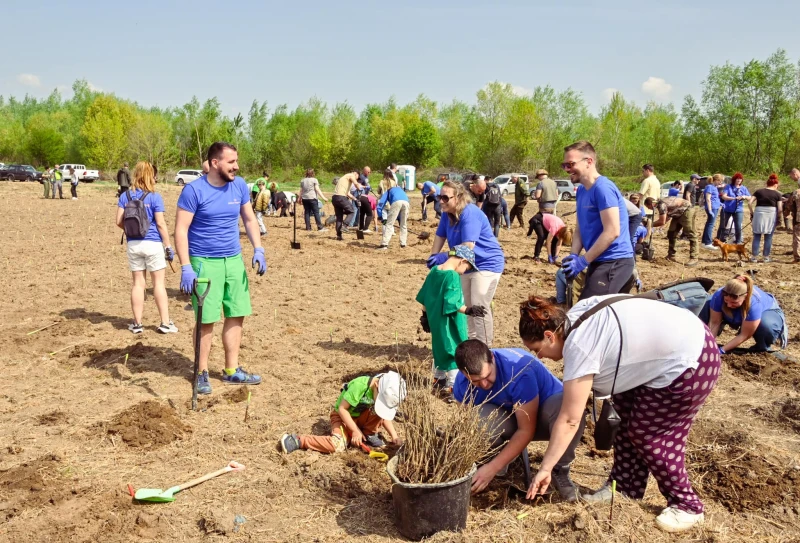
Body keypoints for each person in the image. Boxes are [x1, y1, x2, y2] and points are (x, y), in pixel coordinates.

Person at [521, 295, 721, 533]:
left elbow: (570, 419)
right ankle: (625, 488)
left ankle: (686, 505)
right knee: (624, 423)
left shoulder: (579, 345)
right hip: (662, 354)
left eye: (536, 350)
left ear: (549, 336)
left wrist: (545, 468)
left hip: (691, 359)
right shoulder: (573, 317)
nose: (539, 357)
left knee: (649, 436)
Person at [175, 141, 265, 395]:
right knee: (206, 320)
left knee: (236, 313)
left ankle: (231, 370)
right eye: (231, 162)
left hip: (233, 261)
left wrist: (258, 248)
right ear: (215, 163)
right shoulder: (194, 191)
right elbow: (181, 230)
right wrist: (186, 267)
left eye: (236, 161)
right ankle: (201, 372)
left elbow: (248, 218)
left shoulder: (238, 185)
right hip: (204, 262)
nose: (236, 166)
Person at [453, 339, 583, 501]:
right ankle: (497, 458)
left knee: (571, 409)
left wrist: (492, 468)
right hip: (512, 415)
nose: (484, 384)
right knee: (476, 420)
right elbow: (465, 424)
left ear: (492, 358)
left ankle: (559, 469)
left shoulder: (519, 371)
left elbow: (526, 430)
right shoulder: (462, 382)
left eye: (487, 377)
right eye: (476, 381)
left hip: (548, 417)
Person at [428, 181, 505, 346]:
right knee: (465, 305)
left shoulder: (469, 213)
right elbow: (440, 235)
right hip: (464, 264)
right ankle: (470, 343)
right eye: (439, 197)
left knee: (479, 303)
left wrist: (444, 257)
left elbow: (468, 246)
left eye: (445, 197)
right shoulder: (446, 214)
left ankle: (484, 347)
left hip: (486, 263)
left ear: (458, 198)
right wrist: (434, 257)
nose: (441, 201)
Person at [561, 141, 635, 300]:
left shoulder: (603, 188)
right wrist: (574, 255)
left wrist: (582, 262)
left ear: (589, 161)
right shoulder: (581, 191)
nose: (567, 169)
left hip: (615, 262)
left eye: (571, 164)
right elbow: (580, 228)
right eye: (564, 165)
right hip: (597, 261)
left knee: (586, 313)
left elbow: (612, 231)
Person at [116, 161, 177, 335]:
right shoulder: (154, 197)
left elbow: (118, 221)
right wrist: (168, 246)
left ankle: (137, 324)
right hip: (153, 244)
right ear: (151, 176)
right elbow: (160, 224)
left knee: (137, 284)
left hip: (133, 244)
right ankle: (165, 323)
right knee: (158, 284)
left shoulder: (125, 196)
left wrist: (131, 231)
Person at [280, 371, 406, 454]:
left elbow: (384, 416)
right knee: (337, 445)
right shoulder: (360, 386)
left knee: (378, 412)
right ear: (377, 384)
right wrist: (355, 430)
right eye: (380, 400)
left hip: (362, 416)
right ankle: (299, 440)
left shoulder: (378, 392)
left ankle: (368, 434)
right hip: (343, 416)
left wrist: (394, 436)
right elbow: (342, 409)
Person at [416, 245, 484, 397]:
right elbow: (452, 303)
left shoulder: (434, 271)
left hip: (435, 320)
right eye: (467, 267)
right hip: (450, 322)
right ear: (462, 261)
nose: (465, 271)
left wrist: (425, 316)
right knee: (455, 349)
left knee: (440, 348)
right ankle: (453, 387)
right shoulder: (452, 276)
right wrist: (469, 310)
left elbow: (424, 296)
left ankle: (438, 379)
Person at [700, 275, 788, 353]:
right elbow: (714, 322)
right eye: (726, 301)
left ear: (745, 297)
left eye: (734, 302)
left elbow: (745, 334)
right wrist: (709, 347)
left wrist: (722, 350)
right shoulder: (719, 295)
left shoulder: (754, 303)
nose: (729, 305)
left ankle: (761, 348)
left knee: (766, 325)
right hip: (737, 312)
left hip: (766, 312)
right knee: (707, 303)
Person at [644, 195, 698, 266]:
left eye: (648, 207)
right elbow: (666, 218)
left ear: (651, 204)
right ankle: (671, 255)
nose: (650, 209)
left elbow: (661, 221)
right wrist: (657, 226)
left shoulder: (661, 205)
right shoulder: (661, 204)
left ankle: (694, 257)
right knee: (671, 233)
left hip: (687, 210)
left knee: (690, 233)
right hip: (678, 213)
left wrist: (650, 225)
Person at [749, 174, 783, 263]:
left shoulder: (759, 191)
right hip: (771, 215)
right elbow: (780, 209)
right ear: (775, 185)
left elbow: (749, 203)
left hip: (758, 213)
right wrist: (778, 217)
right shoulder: (777, 194)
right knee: (768, 237)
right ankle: (766, 257)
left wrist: (752, 213)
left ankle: (754, 257)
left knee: (757, 235)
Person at [376, 179, 410, 250]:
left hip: (396, 202)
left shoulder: (388, 191)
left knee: (389, 224)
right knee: (403, 224)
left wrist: (380, 217)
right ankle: (403, 243)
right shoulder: (400, 189)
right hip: (406, 202)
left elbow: (380, 205)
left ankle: (384, 244)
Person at [718, 172, 750, 244]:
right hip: (727, 209)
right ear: (734, 180)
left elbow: (749, 197)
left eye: (740, 179)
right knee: (723, 224)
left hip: (738, 210)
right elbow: (724, 196)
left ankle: (738, 241)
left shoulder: (743, 188)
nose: (739, 180)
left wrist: (744, 197)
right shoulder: (728, 187)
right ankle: (720, 239)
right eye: (737, 179)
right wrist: (734, 198)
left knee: (738, 225)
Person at [331, 171, 362, 240]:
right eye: (357, 177)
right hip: (341, 197)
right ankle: (344, 226)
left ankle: (339, 235)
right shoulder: (350, 175)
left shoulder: (344, 180)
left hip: (335, 198)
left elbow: (348, 193)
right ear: (356, 174)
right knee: (352, 211)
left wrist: (355, 199)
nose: (356, 179)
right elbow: (355, 183)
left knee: (339, 217)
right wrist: (359, 188)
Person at [701, 174, 723, 250]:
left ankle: (704, 242)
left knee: (709, 224)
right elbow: (708, 199)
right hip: (712, 208)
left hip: (715, 207)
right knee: (710, 224)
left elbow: (715, 198)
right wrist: (710, 210)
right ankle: (708, 242)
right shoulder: (709, 187)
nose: (720, 183)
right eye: (720, 181)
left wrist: (720, 203)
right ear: (716, 180)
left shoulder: (714, 187)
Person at [785, 168, 800, 262]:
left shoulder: (796, 193)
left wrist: (787, 212)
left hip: (798, 218)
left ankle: (798, 257)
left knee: (797, 237)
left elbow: (789, 206)